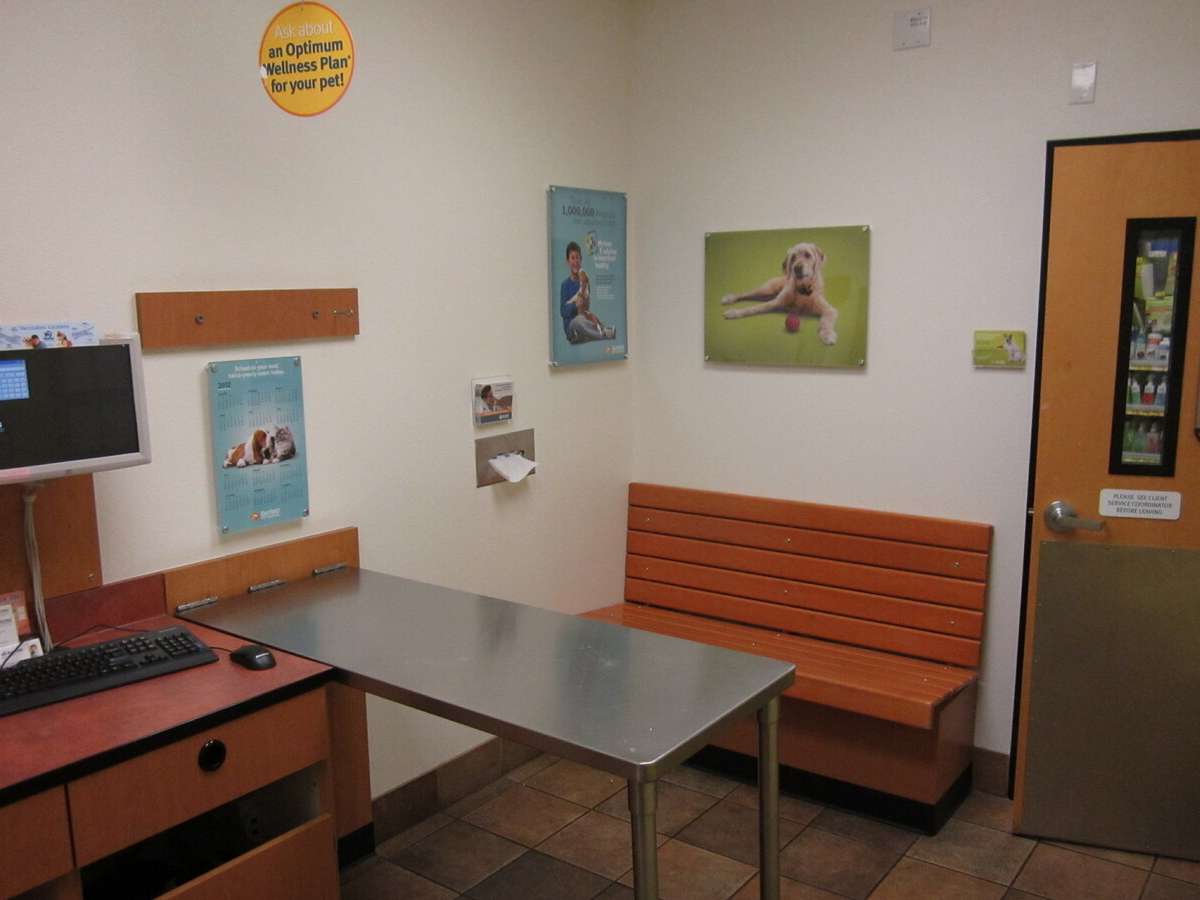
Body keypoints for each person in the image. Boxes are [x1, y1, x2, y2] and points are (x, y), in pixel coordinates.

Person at [560, 241, 616, 344]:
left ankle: (601, 332)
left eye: (578, 257)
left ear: (581, 259)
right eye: (573, 258)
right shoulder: (565, 285)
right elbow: (563, 311)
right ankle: (605, 334)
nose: (576, 261)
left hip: (582, 325)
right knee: (579, 320)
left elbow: (586, 308)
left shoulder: (584, 281)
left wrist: (591, 316)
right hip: (572, 329)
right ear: (568, 261)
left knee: (591, 318)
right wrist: (574, 305)